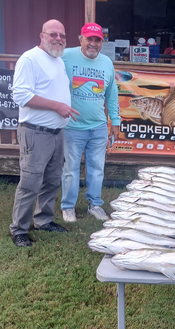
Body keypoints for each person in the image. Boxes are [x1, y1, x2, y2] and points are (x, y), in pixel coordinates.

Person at [9, 19, 80, 247]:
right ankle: (19, 229)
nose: (58, 38)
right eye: (53, 34)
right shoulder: (30, 59)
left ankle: (44, 220)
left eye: (62, 35)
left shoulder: (57, 60)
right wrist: (56, 106)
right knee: (30, 182)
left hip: (57, 133)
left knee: (51, 181)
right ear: (42, 36)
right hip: (35, 133)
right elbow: (20, 95)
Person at [61, 22, 120, 222]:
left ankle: (95, 205)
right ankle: (68, 207)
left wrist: (116, 122)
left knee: (97, 169)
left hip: (98, 127)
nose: (93, 44)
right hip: (72, 126)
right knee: (71, 169)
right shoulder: (65, 56)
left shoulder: (107, 63)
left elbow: (112, 95)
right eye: (89, 39)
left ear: (101, 43)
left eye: (97, 40)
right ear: (81, 40)